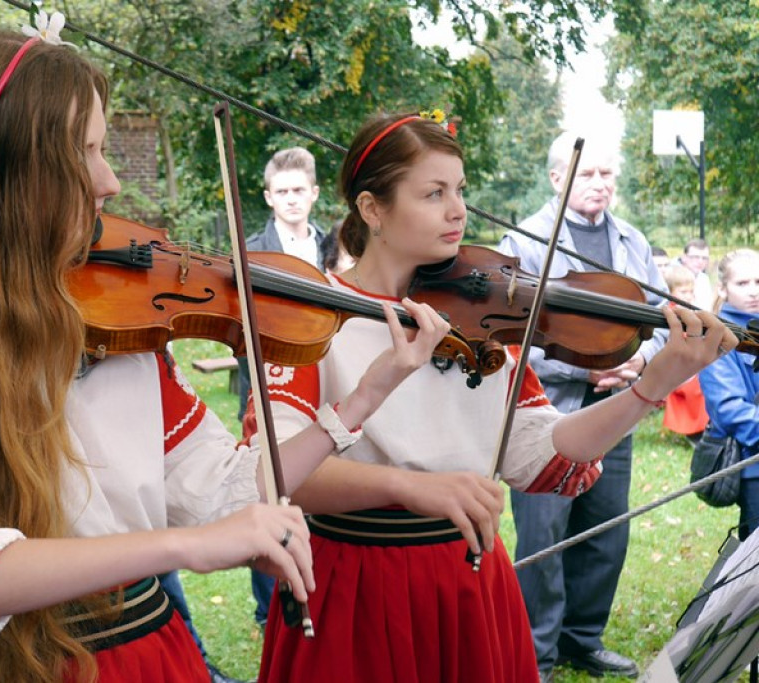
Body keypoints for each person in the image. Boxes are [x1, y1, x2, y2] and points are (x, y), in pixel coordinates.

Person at [0, 22, 445, 683]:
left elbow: (226, 490)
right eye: (85, 151)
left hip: (157, 656)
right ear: (4, 173)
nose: (108, 181)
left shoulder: (118, 333)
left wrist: (362, 398)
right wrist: (183, 546)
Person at [245, 113, 734, 683]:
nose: (459, 211)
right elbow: (273, 471)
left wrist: (655, 383)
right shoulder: (308, 314)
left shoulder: (481, 319)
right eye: (434, 194)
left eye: (460, 191)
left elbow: (547, 455)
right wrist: (409, 486)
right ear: (372, 209)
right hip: (351, 581)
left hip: (467, 577)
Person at [497, 131, 672, 681]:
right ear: (557, 178)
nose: (599, 184)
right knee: (544, 535)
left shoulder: (633, 241)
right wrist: (582, 367)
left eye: (606, 175)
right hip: (548, 411)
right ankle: (536, 652)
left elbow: (666, 315)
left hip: (618, 404)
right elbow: (506, 334)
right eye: (587, 174)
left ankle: (581, 638)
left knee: (606, 527)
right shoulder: (523, 241)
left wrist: (639, 362)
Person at [237, 146, 326, 630]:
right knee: (267, 497)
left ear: (313, 193)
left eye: (299, 191)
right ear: (269, 197)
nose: (291, 200)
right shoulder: (252, 251)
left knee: (317, 491)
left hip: (320, 388)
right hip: (266, 391)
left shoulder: (336, 249)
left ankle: (313, 584)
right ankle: (267, 605)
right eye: (282, 192)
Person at [699, 249, 759, 539]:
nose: (753, 291)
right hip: (754, 468)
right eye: (743, 283)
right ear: (722, 288)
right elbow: (729, 409)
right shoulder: (717, 336)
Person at [662, 263, 708, 442]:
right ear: (670, 291)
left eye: (691, 291)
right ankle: (693, 431)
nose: (688, 296)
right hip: (679, 364)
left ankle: (695, 428)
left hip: (690, 362)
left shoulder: (688, 311)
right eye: (683, 292)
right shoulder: (671, 312)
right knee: (691, 394)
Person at [680, 238, 715, 311]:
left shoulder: (704, 278)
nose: (700, 261)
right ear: (684, 257)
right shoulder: (673, 277)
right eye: (695, 257)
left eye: (704, 258)